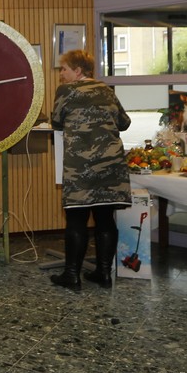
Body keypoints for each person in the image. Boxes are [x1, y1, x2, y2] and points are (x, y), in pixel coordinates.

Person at [50, 49, 132, 290]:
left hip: (81, 166)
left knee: (77, 218)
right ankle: (104, 274)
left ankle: (72, 275)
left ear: (78, 71)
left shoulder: (66, 91)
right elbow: (124, 122)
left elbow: (56, 121)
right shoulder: (106, 90)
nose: (61, 74)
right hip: (112, 165)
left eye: (64, 69)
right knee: (105, 218)